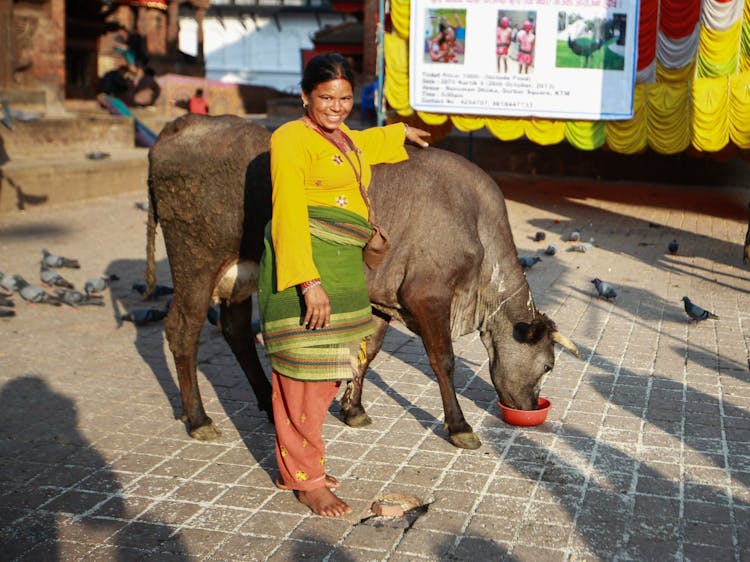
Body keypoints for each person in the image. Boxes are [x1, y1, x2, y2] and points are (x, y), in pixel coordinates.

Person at [257, 53, 430, 518]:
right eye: (326, 98)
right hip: (306, 267)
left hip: (344, 269)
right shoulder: (290, 139)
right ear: (305, 96)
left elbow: (361, 143)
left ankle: (302, 462)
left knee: (331, 371)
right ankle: (305, 480)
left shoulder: (341, 135)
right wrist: (308, 283)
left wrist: (399, 135)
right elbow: (288, 211)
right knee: (300, 380)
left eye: (345, 98)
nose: (336, 106)